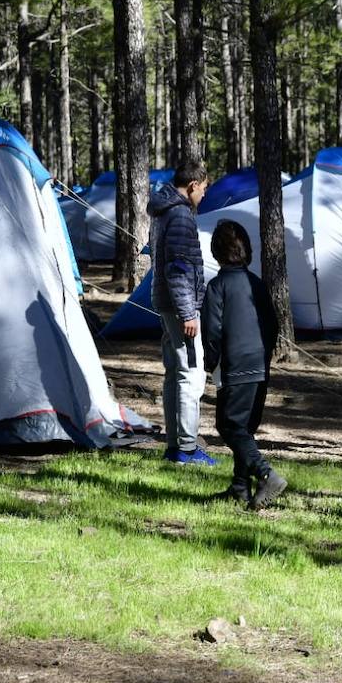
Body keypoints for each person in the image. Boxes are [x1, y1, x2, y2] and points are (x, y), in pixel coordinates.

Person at [202, 220, 286, 509]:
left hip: (235, 367)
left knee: (229, 425)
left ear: (216, 252)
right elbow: (273, 324)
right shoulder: (258, 285)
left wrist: (210, 363)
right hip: (259, 366)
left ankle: (267, 474)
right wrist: (264, 356)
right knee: (244, 428)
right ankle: (240, 487)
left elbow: (211, 332)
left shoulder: (217, 287)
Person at [148, 160, 216, 465]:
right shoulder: (180, 216)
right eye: (203, 190)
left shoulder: (163, 213)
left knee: (175, 373)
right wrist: (189, 312)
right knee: (190, 374)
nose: (203, 196)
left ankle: (175, 444)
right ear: (192, 186)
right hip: (179, 306)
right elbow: (178, 268)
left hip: (166, 303)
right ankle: (187, 448)